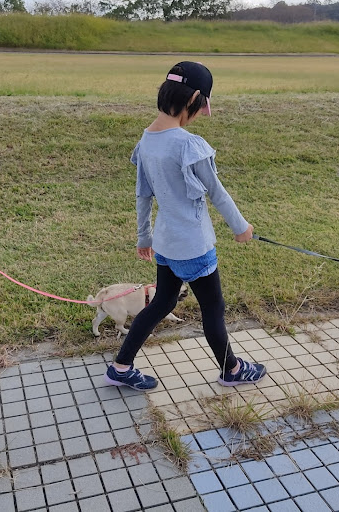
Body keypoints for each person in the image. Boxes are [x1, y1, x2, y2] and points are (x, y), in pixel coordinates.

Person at [104, 61, 267, 391]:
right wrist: (241, 227)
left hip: (165, 244)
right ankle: (232, 369)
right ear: (193, 99)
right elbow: (217, 194)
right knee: (213, 309)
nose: (201, 115)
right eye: (202, 106)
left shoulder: (147, 139)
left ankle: (120, 367)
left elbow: (143, 196)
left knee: (163, 302)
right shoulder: (188, 145)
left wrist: (144, 237)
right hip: (193, 246)